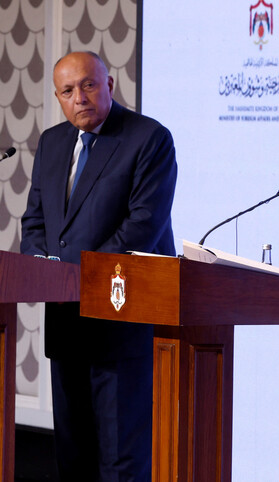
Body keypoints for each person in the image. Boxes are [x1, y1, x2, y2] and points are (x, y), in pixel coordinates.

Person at [21, 51, 177, 481]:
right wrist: (39, 266)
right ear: (58, 97)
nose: (80, 97)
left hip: (120, 321)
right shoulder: (53, 142)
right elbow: (35, 219)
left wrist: (74, 274)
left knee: (121, 459)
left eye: (89, 85)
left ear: (109, 85)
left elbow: (142, 225)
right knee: (73, 455)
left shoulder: (148, 139)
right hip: (67, 321)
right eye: (68, 91)